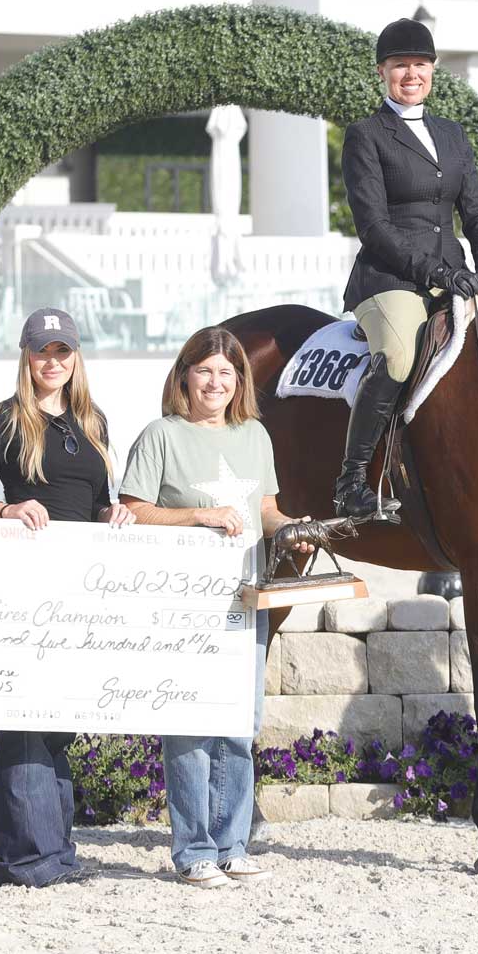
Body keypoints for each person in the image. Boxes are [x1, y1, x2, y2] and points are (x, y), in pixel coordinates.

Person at [118, 326, 312, 889]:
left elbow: (265, 510)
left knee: (237, 722)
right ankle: (193, 849)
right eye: (204, 370)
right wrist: (198, 516)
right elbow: (133, 509)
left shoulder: (255, 435)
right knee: (190, 725)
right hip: (182, 608)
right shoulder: (161, 435)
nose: (215, 382)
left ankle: (232, 844)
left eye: (226, 372)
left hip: (243, 599)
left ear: (239, 381)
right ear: (184, 376)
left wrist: (292, 529)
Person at [0, 308, 136, 888]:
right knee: (24, 717)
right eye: (43, 351)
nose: (53, 362)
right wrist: (4, 509)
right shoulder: (5, 419)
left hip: (78, 588)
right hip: (21, 586)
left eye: (63, 352)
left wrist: (112, 512)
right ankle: (25, 856)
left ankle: (55, 849)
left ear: (76, 357)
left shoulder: (94, 421)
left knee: (60, 717)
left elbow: (94, 500)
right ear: (26, 355)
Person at [333, 16, 478, 517]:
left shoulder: (451, 134)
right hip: (390, 277)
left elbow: (476, 208)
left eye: (420, 64)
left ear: (433, 70)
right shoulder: (366, 135)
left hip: (453, 272)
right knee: (399, 356)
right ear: (383, 73)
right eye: (400, 65)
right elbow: (375, 227)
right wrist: (436, 272)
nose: (411, 74)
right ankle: (351, 481)